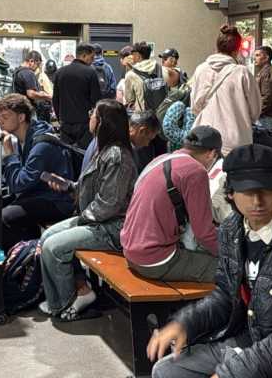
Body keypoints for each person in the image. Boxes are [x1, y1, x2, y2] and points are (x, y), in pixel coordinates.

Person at [148, 144, 272, 378]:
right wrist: (185, 323)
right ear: (230, 192)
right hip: (251, 339)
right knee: (166, 371)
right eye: (248, 192)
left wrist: (236, 370)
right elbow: (225, 295)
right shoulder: (232, 229)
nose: (258, 201)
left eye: (267, 190)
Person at [38, 99, 136, 321]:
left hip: (112, 227)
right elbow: (92, 189)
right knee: (46, 237)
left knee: (54, 247)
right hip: (97, 220)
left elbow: (109, 204)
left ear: (102, 122)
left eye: (93, 114)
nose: (89, 116)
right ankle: (61, 299)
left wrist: (82, 219)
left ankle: (66, 302)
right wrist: (68, 186)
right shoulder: (102, 149)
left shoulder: (118, 156)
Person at [121, 126, 222, 283]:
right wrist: (232, 253)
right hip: (154, 260)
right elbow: (204, 234)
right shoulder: (196, 172)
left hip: (129, 249)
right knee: (229, 270)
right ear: (212, 154)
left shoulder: (160, 159)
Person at [0, 94, 77, 249]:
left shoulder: (40, 144)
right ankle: (24, 258)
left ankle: (17, 262)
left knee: (3, 218)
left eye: (5, 117)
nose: (0, 122)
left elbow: (19, 184)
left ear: (21, 117)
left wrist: (10, 154)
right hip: (37, 193)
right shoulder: (25, 136)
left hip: (57, 200)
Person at [191, 24, 260, 156]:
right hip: (236, 140)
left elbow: (194, 106)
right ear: (237, 50)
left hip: (204, 139)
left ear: (216, 48)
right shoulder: (242, 73)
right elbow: (255, 111)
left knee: (206, 176)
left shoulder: (201, 69)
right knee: (234, 176)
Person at [53, 43, 102, 149]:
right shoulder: (90, 73)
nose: (93, 60)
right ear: (84, 55)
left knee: (66, 154)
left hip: (65, 123)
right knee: (83, 155)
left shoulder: (60, 72)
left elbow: (55, 99)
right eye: (92, 57)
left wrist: (59, 118)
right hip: (84, 124)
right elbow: (96, 100)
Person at [82, 109, 160, 174]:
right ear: (142, 131)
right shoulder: (120, 152)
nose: (147, 144)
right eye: (149, 139)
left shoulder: (111, 137)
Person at [124, 41, 176, 114]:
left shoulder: (131, 75)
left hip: (143, 118)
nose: (131, 58)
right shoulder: (163, 70)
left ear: (138, 56)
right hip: (162, 116)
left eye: (133, 55)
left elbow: (129, 100)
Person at [13, 50, 52, 124]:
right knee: (32, 133)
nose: (37, 68)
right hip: (28, 111)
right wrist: (47, 96)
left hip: (19, 109)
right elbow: (31, 94)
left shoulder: (17, 72)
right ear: (31, 61)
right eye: (37, 65)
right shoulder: (28, 73)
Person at [254, 46, 272, 130]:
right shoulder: (264, 71)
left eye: (258, 55)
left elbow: (266, 97)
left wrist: (256, 113)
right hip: (264, 117)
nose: (254, 58)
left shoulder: (268, 72)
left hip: (266, 118)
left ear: (266, 58)